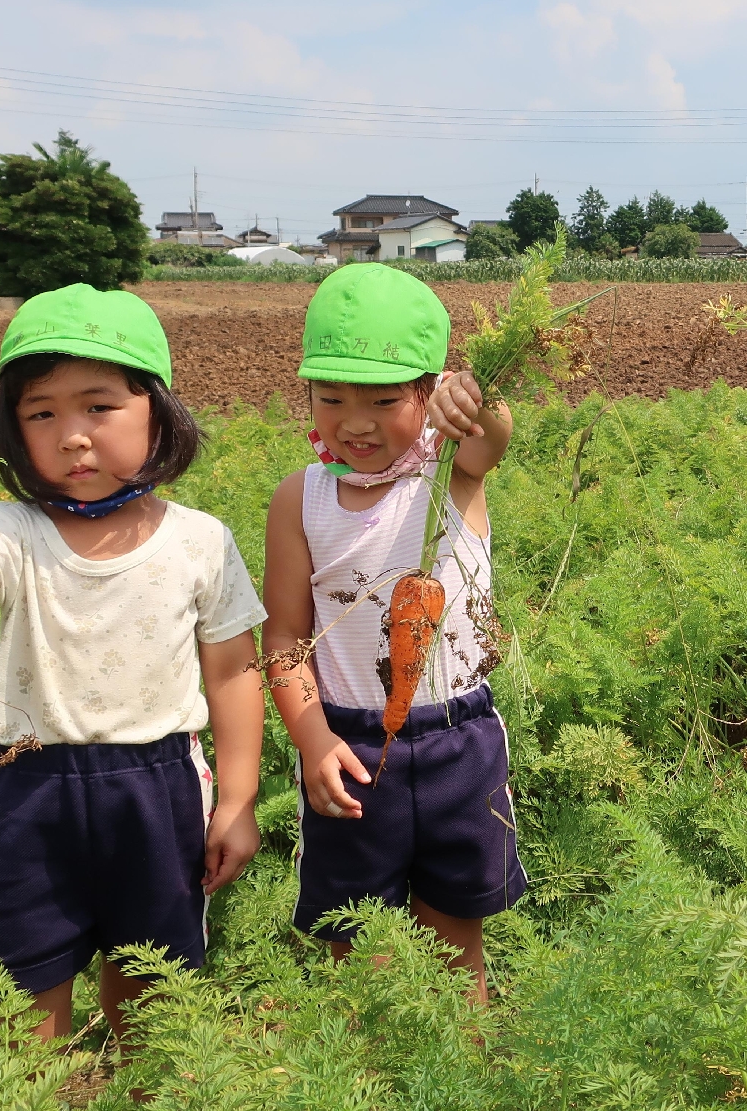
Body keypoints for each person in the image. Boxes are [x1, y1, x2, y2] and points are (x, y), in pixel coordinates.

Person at [0, 285, 266, 1045]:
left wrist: (239, 798)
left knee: (154, 994)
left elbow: (231, 672)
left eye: (99, 406)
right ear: (13, 429)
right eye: (42, 413)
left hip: (158, 791)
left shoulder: (198, 539)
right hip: (28, 791)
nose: (72, 436)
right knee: (19, 999)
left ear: (158, 411)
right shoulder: (11, 528)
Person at [261, 264, 525, 1003]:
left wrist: (476, 399)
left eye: (384, 399)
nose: (356, 421)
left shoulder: (451, 470)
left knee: (455, 941)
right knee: (359, 945)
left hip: (457, 741)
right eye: (331, 397)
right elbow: (285, 638)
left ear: (430, 390)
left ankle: (461, 1070)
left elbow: (493, 432)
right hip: (352, 743)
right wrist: (313, 739)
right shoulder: (301, 497)